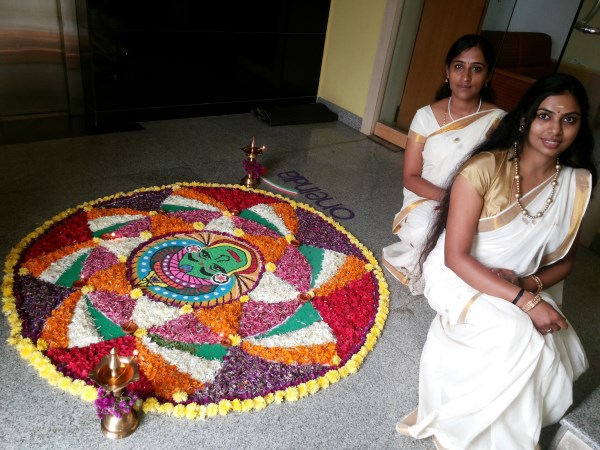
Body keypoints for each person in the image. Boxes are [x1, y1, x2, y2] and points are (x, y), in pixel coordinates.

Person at [396, 73, 597, 450]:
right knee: (517, 334)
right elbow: (455, 257)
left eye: (569, 119)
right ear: (525, 119)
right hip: (456, 273)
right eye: (545, 116)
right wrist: (526, 302)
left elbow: (565, 263)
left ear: (580, 126)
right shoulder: (484, 168)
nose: (555, 129)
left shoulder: (576, 182)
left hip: (516, 279)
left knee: (553, 339)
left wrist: (526, 287)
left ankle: (502, 431)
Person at [383, 34, 505, 294]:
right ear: (447, 72)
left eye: (477, 69)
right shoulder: (425, 117)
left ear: (488, 76)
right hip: (427, 198)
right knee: (428, 234)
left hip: (475, 203)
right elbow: (411, 176)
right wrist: (449, 199)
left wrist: (467, 204)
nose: (466, 76)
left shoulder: (498, 121)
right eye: (459, 66)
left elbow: (499, 178)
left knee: (481, 243)